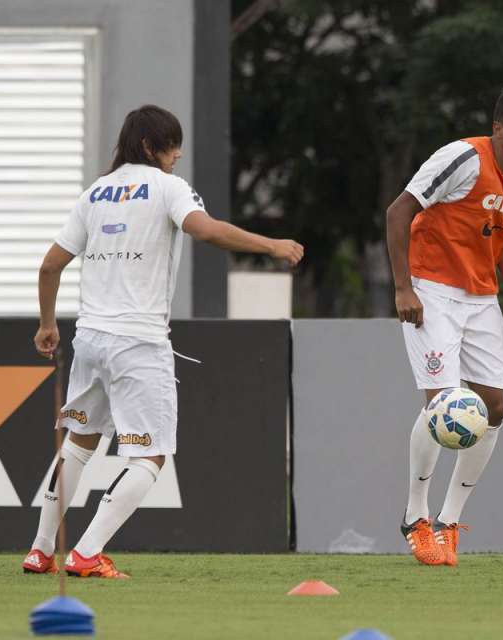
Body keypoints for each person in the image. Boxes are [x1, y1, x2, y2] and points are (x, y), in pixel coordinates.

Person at [22, 105, 304, 578]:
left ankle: (39, 550)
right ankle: (87, 553)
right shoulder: (168, 187)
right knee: (149, 455)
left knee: (78, 443)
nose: (178, 155)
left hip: (89, 338)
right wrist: (271, 245)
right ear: (150, 147)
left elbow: (50, 265)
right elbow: (204, 229)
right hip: (138, 341)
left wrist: (46, 324)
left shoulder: (94, 193)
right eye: (173, 145)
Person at [385, 84, 503, 566]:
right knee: (444, 404)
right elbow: (398, 211)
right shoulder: (462, 158)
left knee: (495, 405)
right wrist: (403, 288)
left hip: (480, 297)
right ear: (498, 129)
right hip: (431, 289)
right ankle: (416, 517)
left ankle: (449, 522)